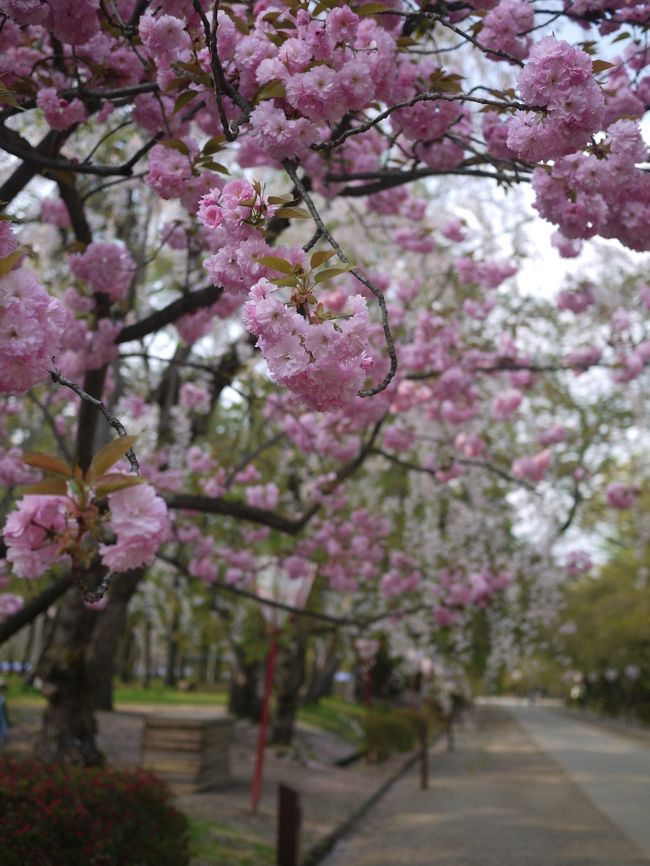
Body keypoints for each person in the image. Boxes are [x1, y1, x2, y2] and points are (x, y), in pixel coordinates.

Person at [0, 680, 10, 747]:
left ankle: (3, 738)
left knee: (3, 725)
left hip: (2, 714)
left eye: (3, 688)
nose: (2, 689)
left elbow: (4, 707)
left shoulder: (2, 696)